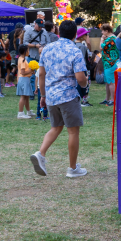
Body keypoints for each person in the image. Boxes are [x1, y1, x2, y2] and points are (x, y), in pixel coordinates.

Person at [30, 20, 89, 178]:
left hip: (51, 96)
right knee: (73, 132)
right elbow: (80, 78)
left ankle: (41, 154)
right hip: (68, 96)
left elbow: (41, 74)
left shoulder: (47, 49)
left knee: (55, 128)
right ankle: (72, 168)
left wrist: (42, 95)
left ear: (59, 32)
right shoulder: (74, 50)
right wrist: (85, 83)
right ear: (75, 34)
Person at [99, 23, 117, 105]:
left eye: (103, 31)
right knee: (107, 82)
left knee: (110, 82)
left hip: (110, 63)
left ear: (106, 31)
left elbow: (101, 47)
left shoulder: (110, 39)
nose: (102, 33)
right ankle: (107, 99)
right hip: (108, 63)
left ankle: (112, 100)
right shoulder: (112, 38)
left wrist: (102, 39)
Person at [16, 45, 33, 118]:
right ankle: (20, 113)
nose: (29, 52)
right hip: (24, 79)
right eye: (28, 50)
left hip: (25, 79)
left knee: (26, 96)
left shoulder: (22, 58)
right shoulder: (22, 60)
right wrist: (31, 70)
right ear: (24, 51)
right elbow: (23, 72)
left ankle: (28, 111)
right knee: (23, 96)